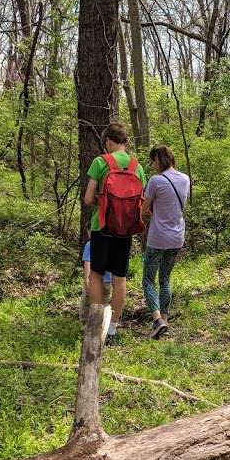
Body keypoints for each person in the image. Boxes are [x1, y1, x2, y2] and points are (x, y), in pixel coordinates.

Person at [83, 122, 147, 344]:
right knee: (120, 279)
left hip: (102, 228)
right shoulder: (136, 166)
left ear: (109, 141)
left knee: (96, 276)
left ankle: (96, 326)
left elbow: (88, 198)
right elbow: (142, 201)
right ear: (125, 141)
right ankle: (112, 330)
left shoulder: (100, 162)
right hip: (125, 231)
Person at [141, 145, 190, 338]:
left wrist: (152, 211)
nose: (152, 165)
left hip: (158, 238)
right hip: (177, 237)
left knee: (148, 280)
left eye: (153, 161)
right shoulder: (185, 179)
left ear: (159, 160)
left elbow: (144, 209)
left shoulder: (156, 181)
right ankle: (165, 320)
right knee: (165, 279)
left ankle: (157, 320)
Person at [80, 236, 111, 323]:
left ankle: (84, 325)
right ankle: (103, 326)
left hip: (94, 280)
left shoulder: (90, 244)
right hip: (108, 281)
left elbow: (87, 262)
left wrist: (86, 279)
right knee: (105, 304)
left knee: (86, 303)